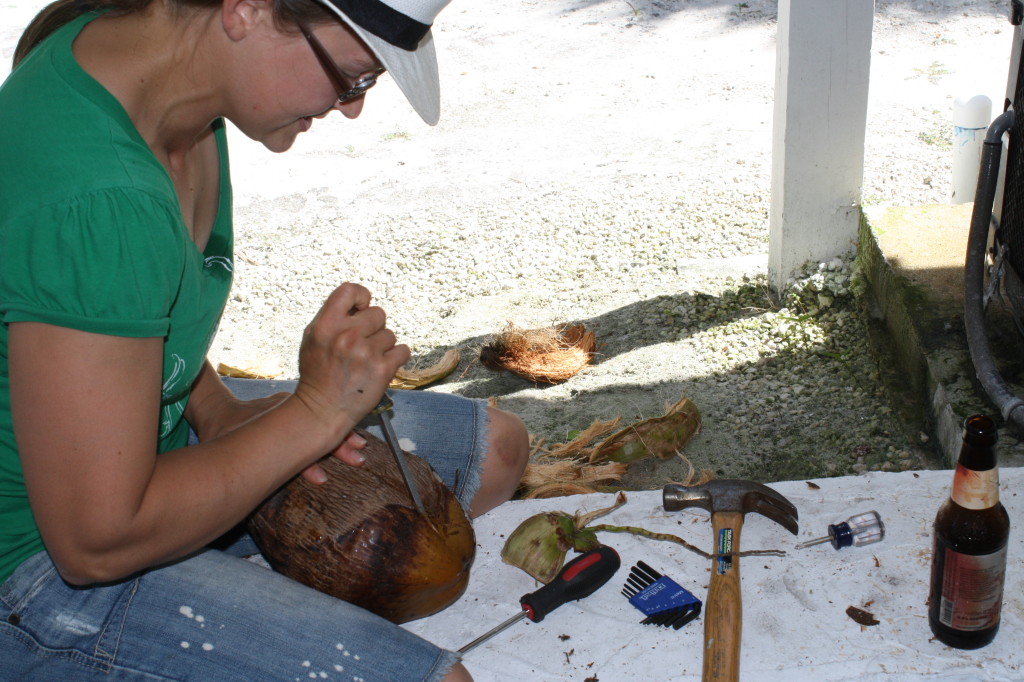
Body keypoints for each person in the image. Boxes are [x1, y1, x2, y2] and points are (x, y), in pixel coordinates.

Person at [0, 0, 530, 679]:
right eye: (353, 76)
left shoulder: (169, 82)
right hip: (39, 553)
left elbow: (145, 323)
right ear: (245, 10)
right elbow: (95, 543)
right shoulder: (98, 199)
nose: (352, 107)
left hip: (140, 440)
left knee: (498, 453)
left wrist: (218, 411)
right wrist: (315, 413)